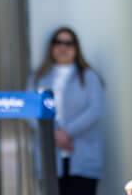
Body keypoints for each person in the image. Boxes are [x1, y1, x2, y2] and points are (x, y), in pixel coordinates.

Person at [30, 26, 105, 195]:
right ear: (51, 47)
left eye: (68, 43)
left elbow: (95, 110)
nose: (63, 47)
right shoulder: (38, 78)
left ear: (76, 48)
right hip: (50, 158)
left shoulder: (89, 76)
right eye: (58, 42)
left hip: (83, 159)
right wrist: (54, 134)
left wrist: (67, 133)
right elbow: (30, 110)